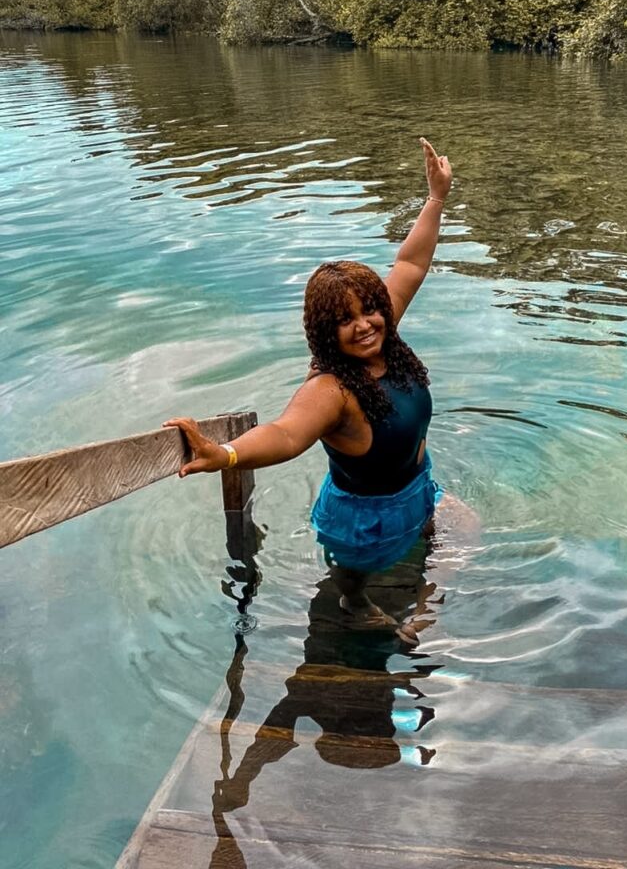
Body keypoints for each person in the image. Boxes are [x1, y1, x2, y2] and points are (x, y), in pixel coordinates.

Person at [163, 138, 452, 641]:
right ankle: (354, 603)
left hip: (415, 484)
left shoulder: (384, 337)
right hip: (364, 518)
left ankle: (416, 579)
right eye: (345, 320)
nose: (363, 325)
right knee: (356, 581)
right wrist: (227, 454)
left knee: (445, 536)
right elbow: (286, 433)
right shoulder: (333, 387)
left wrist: (435, 199)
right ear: (324, 331)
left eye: (369, 309)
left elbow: (409, 266)